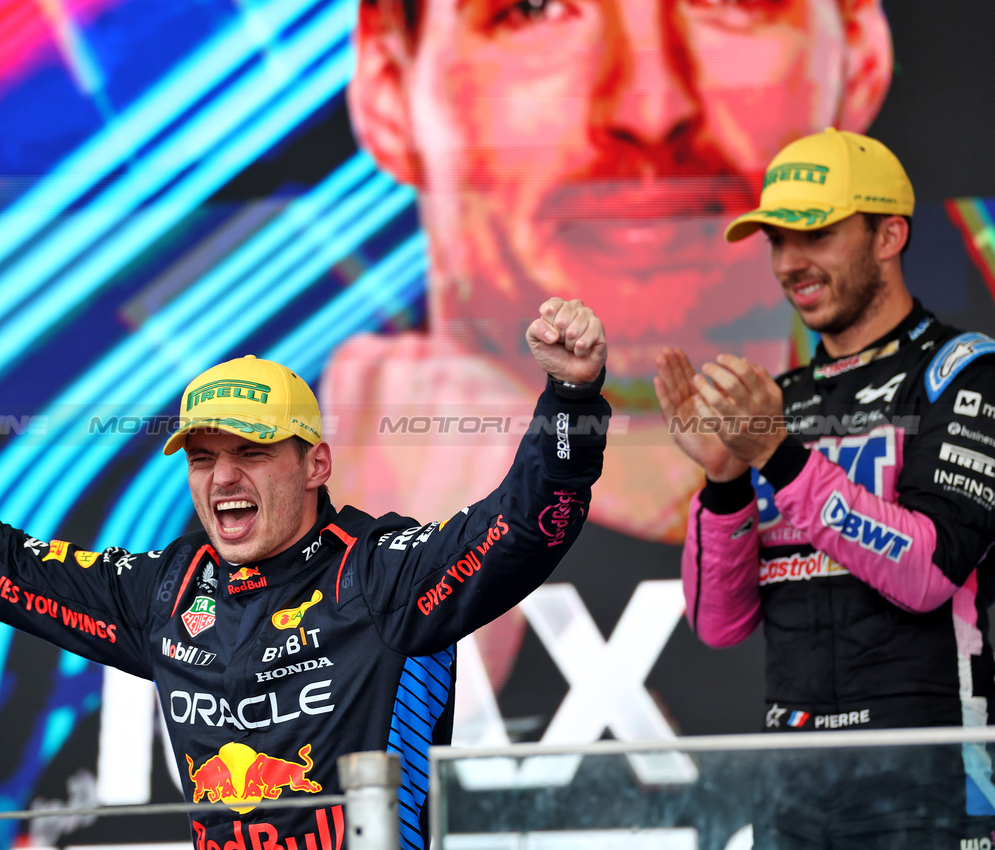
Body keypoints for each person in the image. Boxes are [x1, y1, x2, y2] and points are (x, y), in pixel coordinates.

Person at [0, 297, 609, 850]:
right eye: (202, 457)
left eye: (249, 453)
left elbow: (523, 530)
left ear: (315, 464)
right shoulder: (166, 591)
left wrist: (570, 403)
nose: (222, 478)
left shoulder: (380, 574)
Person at [332, 0, 894, 544]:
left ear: (858, 56)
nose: (651, 111)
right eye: (536, 6)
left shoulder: (942, 406)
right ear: (389, 90)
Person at [656, 128, 995, 846]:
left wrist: (776, 458)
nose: (789, 264)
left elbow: (928, 572)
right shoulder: (775, 403)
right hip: (793, 778)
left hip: (932, 771)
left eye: (813, 234)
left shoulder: (963, 374)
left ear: (887, 235)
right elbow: (717, 624)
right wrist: (721, 482)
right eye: (776, 241)